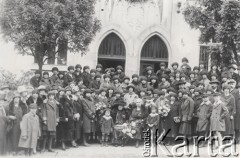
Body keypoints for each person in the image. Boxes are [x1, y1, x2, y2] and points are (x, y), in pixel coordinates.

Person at [0, 91, 7, 155]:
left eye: (2, 101)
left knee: (3, 139)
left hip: (3, 127)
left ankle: (3, 153)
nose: (1, 102)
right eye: (0, 101)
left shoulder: (4, 108)